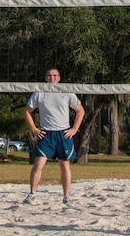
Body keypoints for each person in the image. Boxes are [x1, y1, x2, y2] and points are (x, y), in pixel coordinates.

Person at [23, 67, 85, 205]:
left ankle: (66, 197)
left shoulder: (66, 92)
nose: (52, 78)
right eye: (49, 75)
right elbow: (27, 111)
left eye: (54, 75)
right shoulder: (39, 93)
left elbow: (80, 111)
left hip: (63, 134)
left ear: (59, 78)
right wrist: (33, 128)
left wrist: (74, 129)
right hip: (46, 134)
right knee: (38, 164)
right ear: (46, 78)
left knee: (64, 165)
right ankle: (32, 194)